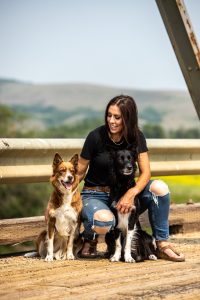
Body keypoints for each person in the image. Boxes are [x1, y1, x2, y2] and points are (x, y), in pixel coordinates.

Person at [78, 95, 185, 262]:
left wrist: (131, 194)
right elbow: (79, 173)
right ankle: (89, 238)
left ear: (128, 118)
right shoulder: (95, 136)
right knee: (105, 221)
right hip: (97, 194)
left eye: (117, 117)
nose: (111, 121)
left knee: (159, 188)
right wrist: (61, 198)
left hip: (125, 192)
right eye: (109, 115)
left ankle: (162, 244)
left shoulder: (137, 137)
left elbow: (146, 172)